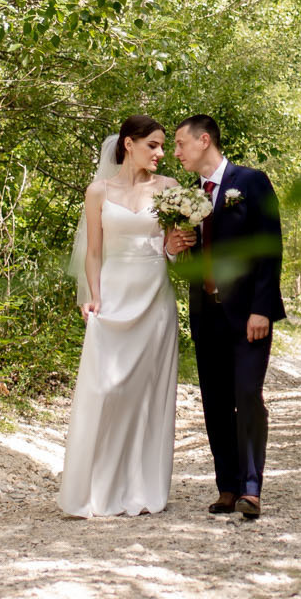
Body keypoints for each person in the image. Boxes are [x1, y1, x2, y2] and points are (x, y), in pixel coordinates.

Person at [56, 115, 181, 517]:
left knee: (147, 393)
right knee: (105, 390)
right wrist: (92, 297)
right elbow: (93, 252)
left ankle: (141, 488)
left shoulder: (171, 189)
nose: (162, 154)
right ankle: (93, 488)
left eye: (164, 146)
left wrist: (178, 246)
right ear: (129, 143)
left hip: (155, 297)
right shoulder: (99, 191)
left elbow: (173, 250)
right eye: (154, 145)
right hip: (113, 296)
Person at [166, 114, 284, 520]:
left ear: (204, 140)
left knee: (247, 395)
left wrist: (262, 308)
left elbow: (270, 249)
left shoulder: (251, 183)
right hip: (206, 314)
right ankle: (228, 487)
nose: (175, 152)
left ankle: (252, 488)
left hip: (249, 313)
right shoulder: (187, 197)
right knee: (215, 402)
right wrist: (177, 246)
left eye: (180, 143)